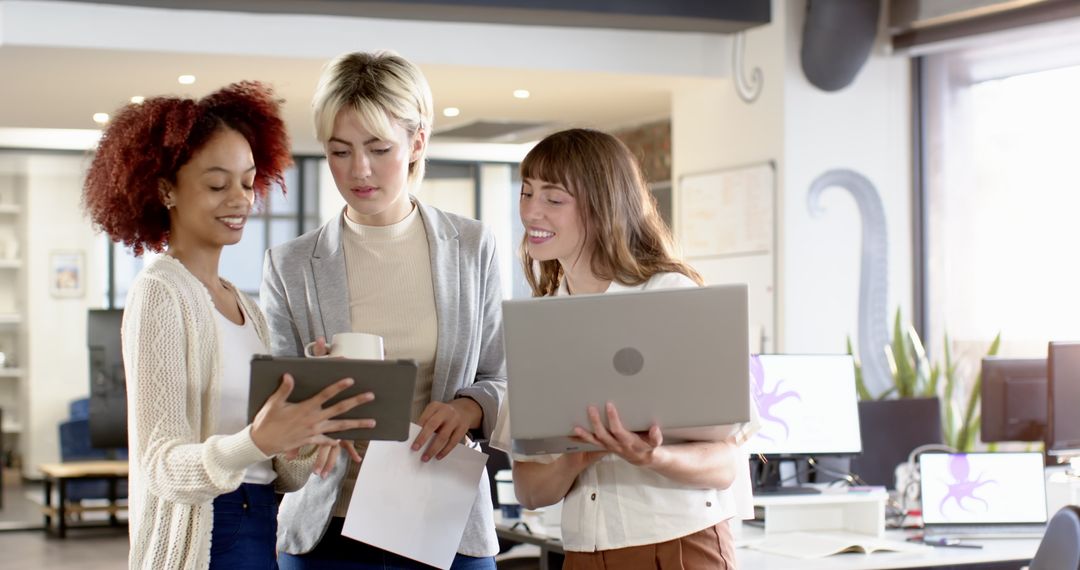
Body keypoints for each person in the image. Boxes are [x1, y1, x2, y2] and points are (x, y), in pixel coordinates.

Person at [83, 81, 374, 569]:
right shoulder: (161, 293)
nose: (240, 200)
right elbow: (160, 466)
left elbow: (282, 475)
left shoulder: (247, 308)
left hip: (260, 523)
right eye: (218, 185)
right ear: (166, 189)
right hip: (207, 531)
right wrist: (256, 440)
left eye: (247, 182)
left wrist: (306, 426)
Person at [262, 51, 506, 569]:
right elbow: (274, 410)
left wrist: (468, 409)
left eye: (378, 148)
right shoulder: (290, 265)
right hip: (328, 529)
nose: (359, 170)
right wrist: (312, 396)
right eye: (340, 151)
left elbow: (500, 376)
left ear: (417, 142)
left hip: (445, 521)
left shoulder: (471, 246)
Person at [494, 128, 757, 570]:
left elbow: (726, 465)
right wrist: (579, 458)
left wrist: (651, 456)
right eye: (527, 193)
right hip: (583, 553)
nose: (531, 211)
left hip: (680, 545)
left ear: (602, 207)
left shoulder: (671, 296)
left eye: (553, 198)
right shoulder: (539, 325)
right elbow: (530, 491)